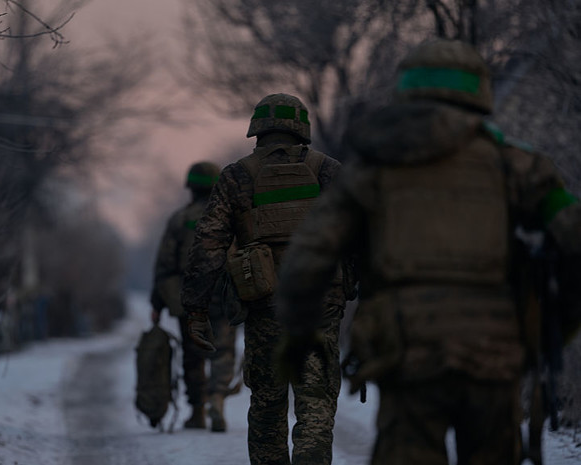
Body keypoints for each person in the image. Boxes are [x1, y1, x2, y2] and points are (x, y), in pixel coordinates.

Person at [276, 38, 581, 465]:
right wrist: (552, 328)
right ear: (478, 92)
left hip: (407, 349)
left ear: (408, 89)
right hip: (493, 351)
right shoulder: (515, 165)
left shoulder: (374, 168)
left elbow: (311, 251)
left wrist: (298, 330)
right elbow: (573, 237)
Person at [181, 93, 348, 465]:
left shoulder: (237, 176)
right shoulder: (329, 171)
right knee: (316, 402)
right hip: (321, 303)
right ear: (301, 128)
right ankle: (311, 458)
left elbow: (209, 243)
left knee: (268, 407)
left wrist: (196, 308)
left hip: (266, 305)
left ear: (257, 129)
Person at [151, 161, 237, 432]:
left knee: (193, 355)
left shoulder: (179, 219)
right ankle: (217, 397)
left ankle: (198, 411)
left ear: (190, 187)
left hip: (187, 299)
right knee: (222, 351)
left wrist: (157, 303)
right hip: (223, 295)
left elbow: (165, 264)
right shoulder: (231, 217)